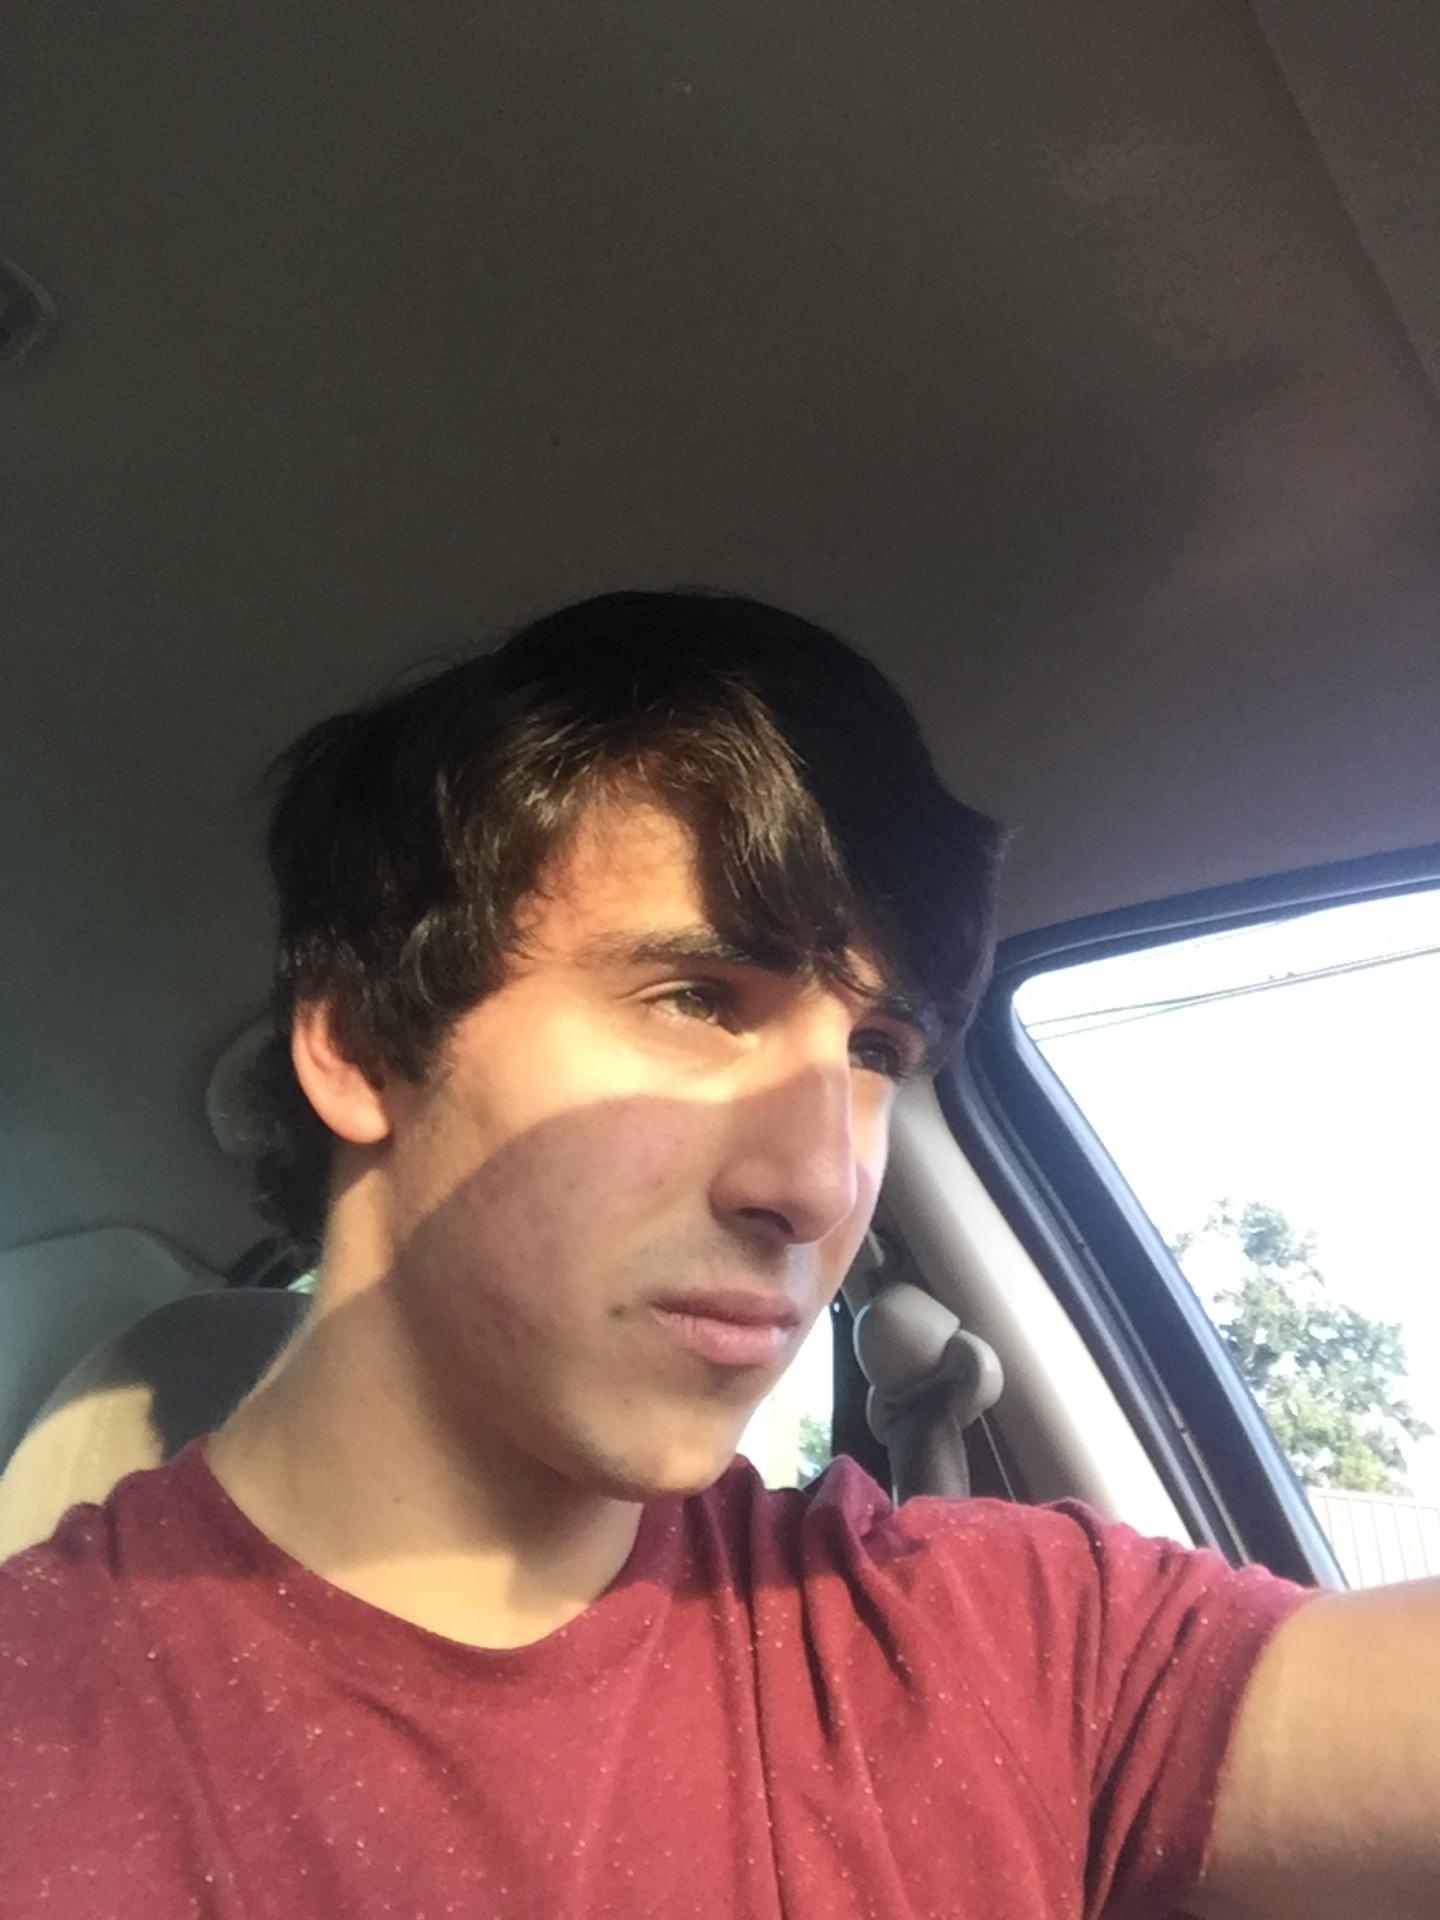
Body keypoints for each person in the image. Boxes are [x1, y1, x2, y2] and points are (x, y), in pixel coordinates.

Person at [0, 590, 1433, 1919]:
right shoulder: (44, 1740)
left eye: (876, 1051)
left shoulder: (980, 1639)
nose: (817, 1183)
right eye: (695, 999)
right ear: (364, 1045)